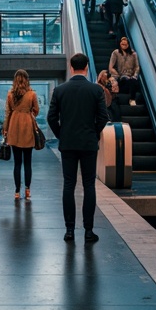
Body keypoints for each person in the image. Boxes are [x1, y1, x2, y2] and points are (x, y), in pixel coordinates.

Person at [47, 53, 108, 244]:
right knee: (89, 185)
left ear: (71, 68)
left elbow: (51, 118)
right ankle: (89, 231)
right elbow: (103, 117)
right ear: (87, 67)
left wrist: (61, 134)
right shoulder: (95, 90)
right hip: (89, 144)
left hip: (68, 144)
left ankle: (69, 231)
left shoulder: (60, 90)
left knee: (69, 185)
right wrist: (93, 133)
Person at [2, 69, 40, 202]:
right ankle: (28, 190)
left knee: (17, 163)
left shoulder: (10, 94)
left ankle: (17, 191)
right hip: (27, 127)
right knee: (28, 162)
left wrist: (5, 129)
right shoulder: (32, 94)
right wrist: (29, 114)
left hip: (14, 127)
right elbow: (37, 110)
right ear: (27, 80)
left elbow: (7, 113)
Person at [108, 36, 141, 106]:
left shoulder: (133, 54)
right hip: (120, 77)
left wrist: (134, 75)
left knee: (133, 81)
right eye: (122, 44)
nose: (124, 46)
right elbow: (111, 67)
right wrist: (118, 75)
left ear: (128, 45)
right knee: (122, 80)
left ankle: (132, 99)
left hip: (131, 78)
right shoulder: (116, 53)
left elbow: (137, 67)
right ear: (120, 44)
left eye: (125, 44)